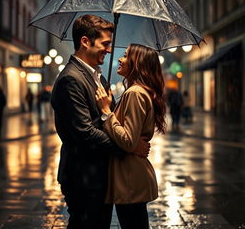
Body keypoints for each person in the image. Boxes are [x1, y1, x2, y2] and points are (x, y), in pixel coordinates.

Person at [51, 15, 149, 229]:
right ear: (85, 41)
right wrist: (129, 147)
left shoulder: (97, 77)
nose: (108, 49)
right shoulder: (71, 79)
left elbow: (108, 118)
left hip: (99, 175)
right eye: (105, 44)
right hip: (84, 177)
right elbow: (85, 133)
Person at [95, 44, 167, 229]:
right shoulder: (137, 91)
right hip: (130, 176)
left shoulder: (135, 93)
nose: (120, 58)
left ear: (137, 64)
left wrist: (106, 113)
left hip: (130, 178)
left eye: (126, 56)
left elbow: (128, 140)